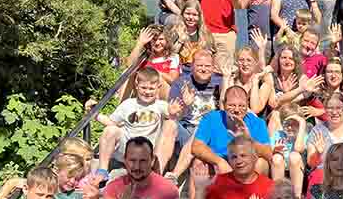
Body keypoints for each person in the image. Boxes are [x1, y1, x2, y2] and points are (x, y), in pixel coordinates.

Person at [97, 68, 178, 177]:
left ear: (158, 88)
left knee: (171, 124)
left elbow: (173, 118)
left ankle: (156, 173)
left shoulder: (160, 105)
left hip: (148, 149)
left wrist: (174, 112)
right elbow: (112, 122)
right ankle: (102, 171)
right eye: (143, 87)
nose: (147, 92)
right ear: (136, 85)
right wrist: (95, 114)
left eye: (151, 88)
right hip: (127, 147)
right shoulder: (128, 104)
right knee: (110, 130)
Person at [165, 49, 223, 182]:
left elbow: (228, 107)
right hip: (186, 129)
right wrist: (185, 105)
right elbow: (174, 114)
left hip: (211, 135)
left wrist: (227, 80)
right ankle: (156, 172)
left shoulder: (220, 81)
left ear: (213, 67)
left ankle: (174, 175)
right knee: (169, 124)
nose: (203, 69)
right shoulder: (181, 83)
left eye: (207, 66)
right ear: (192, 67)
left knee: (202, 127)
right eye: (199, 66)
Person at [193, 86, 272, 176]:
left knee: (261, 163)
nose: (237, 110)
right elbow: (197, 146)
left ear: (247, 104)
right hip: (219, 163)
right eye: (232, 105)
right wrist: (219, 162)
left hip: (246, 164)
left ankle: (250, 190)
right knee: (198, 162)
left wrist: (248, 140)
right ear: (223, 104)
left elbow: (268, 153)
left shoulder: (257, 123)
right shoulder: (211, 118)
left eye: (242, 106)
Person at [121, 26, 180, 101]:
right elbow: (129, 66)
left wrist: (156, 73)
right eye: (154, 40)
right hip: (141, 91)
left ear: (167, 41)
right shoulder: (143, 57)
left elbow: (173, 81)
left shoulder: (172, 57)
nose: (157, 43)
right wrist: (140, 43)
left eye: (161, 39)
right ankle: (122, 107)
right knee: (128, 73)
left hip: (162, 94)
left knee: (157, 78)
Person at [268, 107, 307, 197]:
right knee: (276, 157)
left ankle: (297, 198)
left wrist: (302, 124)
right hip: (281, 169)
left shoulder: (304, 135)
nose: (290, 127)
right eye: (286, 124)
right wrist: (274, 150)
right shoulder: (278, 135)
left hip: (298, 171)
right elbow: (268, 151)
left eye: (294, 124)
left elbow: (298, 148)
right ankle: (279, 196)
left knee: (294, 156)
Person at [167, 0, 214, 69]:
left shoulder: (205, 33)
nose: (191, 18)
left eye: (194, 15)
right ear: (182, 14)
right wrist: (180, 41)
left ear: (199, 16)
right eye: (188, 14)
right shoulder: (175, 31)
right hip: (180, 68)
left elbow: (211, 53)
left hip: (200, 69)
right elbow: (170, 54)